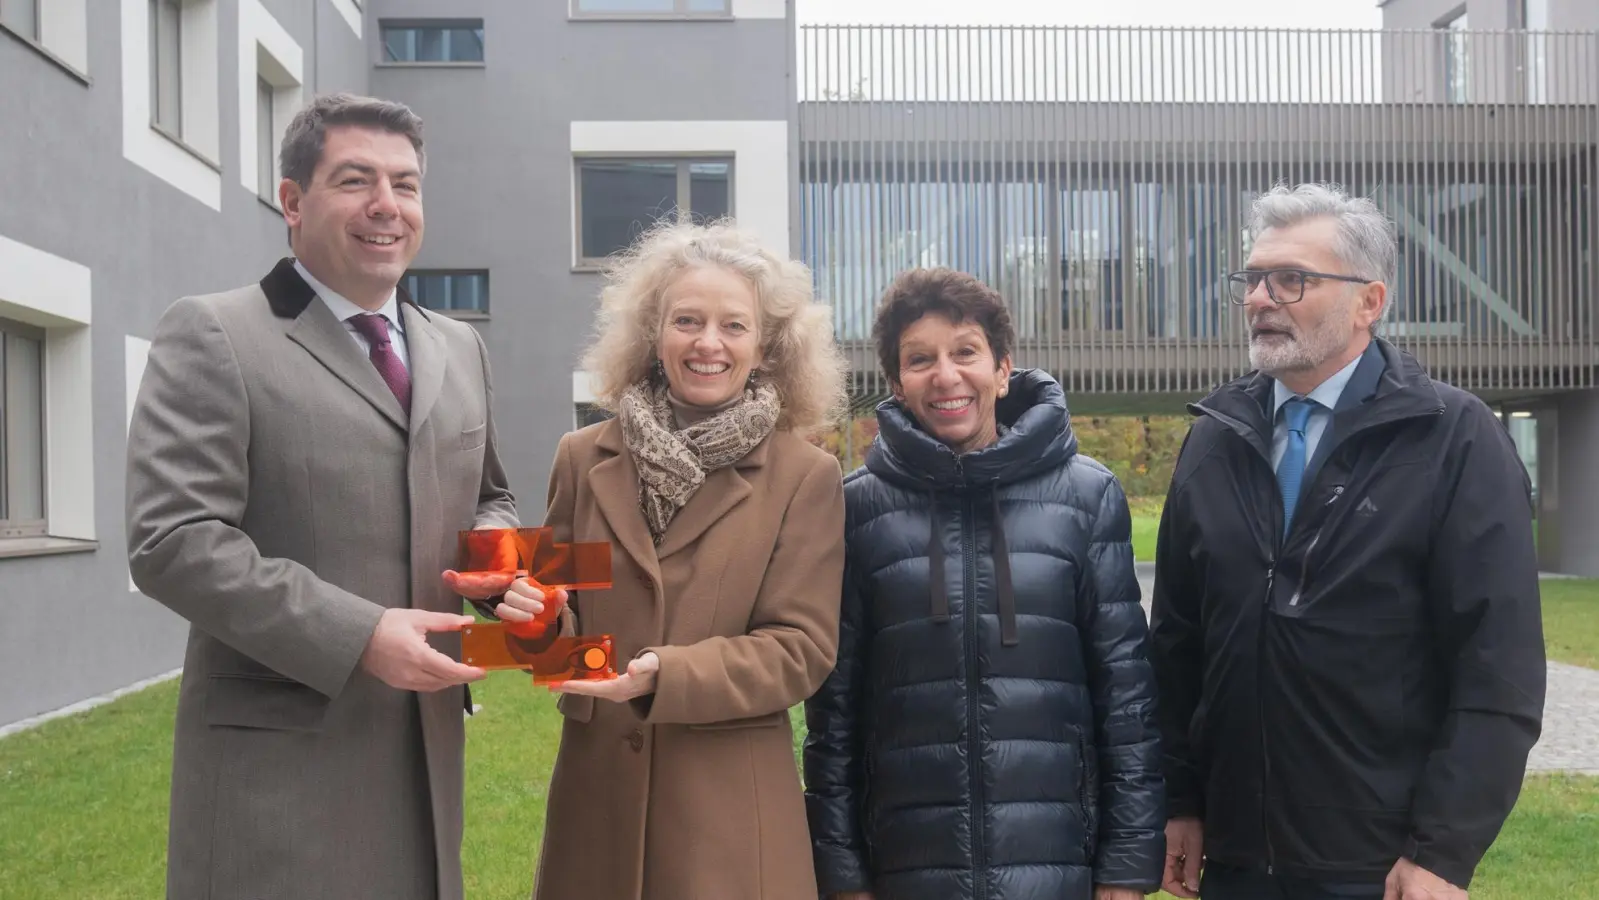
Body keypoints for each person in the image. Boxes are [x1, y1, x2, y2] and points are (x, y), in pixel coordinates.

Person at [126, 93, 517, 900]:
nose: (386, 205)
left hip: (427, 764)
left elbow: (489, 497)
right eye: (355, 180)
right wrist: (361, 634)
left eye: (405, 184)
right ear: (293, 201)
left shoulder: (459, 347)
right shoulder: (215, 334)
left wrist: (497, 564)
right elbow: (174, 541)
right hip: (279, 784)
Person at [1150, 182, 1546, 900]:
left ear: (1369, 301)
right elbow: (1177, 647)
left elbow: (1498, 669)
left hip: (1381, 867)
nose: (1259, 299)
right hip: (1235, 863)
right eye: (1252, 278)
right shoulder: (1212, 441)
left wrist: (1443, 851)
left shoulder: (1454, 440)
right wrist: (1180, 800)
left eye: (1290, 279)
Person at [499, 218, 849, 900]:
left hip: (729, 822)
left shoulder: (805, 477)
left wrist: (666, 673)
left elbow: (800, 648)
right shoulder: (581, 458)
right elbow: (560, 624)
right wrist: (534, 621)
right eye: (686, 320)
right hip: (596, 812)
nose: (707, 342)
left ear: (766, 347)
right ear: (653, 335)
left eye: (733, 325)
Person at [803, 267, 1165, 900]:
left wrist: (1126, 866)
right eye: (921, 360)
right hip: (904, 869)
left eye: (965, 352)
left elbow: (1127, 696)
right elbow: (832, 716)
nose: (946, 376)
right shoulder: (855, 508)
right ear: (897, 384)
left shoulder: (1086, 496)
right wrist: (842, 872)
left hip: (1058, 866)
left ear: (1002, 370)